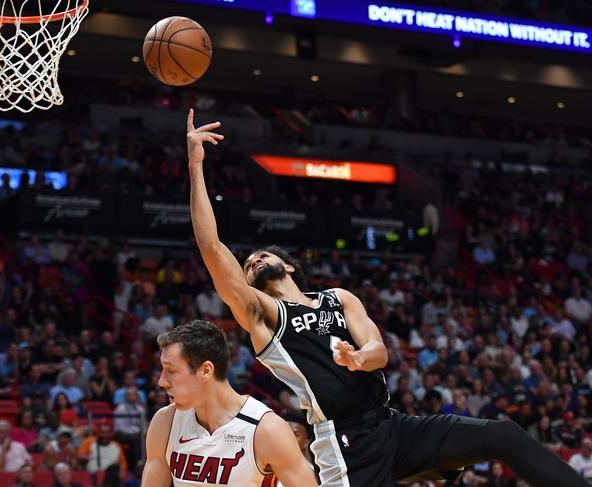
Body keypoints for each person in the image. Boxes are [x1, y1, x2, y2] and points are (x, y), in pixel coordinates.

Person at [185, 109, 591, 487]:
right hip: (344, 442)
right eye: (249, 262)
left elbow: (379, 350)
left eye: (263, 254)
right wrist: (196, 165)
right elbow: (210, 246)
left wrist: (361, 358)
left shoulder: (338, 297)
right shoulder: (265, 314)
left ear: (288, 267)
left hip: (393, 425)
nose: (253, 259)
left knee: (503, 434)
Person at [141, 320, 317, 487]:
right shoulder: (165, 422)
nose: (162, 381)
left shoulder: (265, 429)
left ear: (205, 370)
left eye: (171, 370)